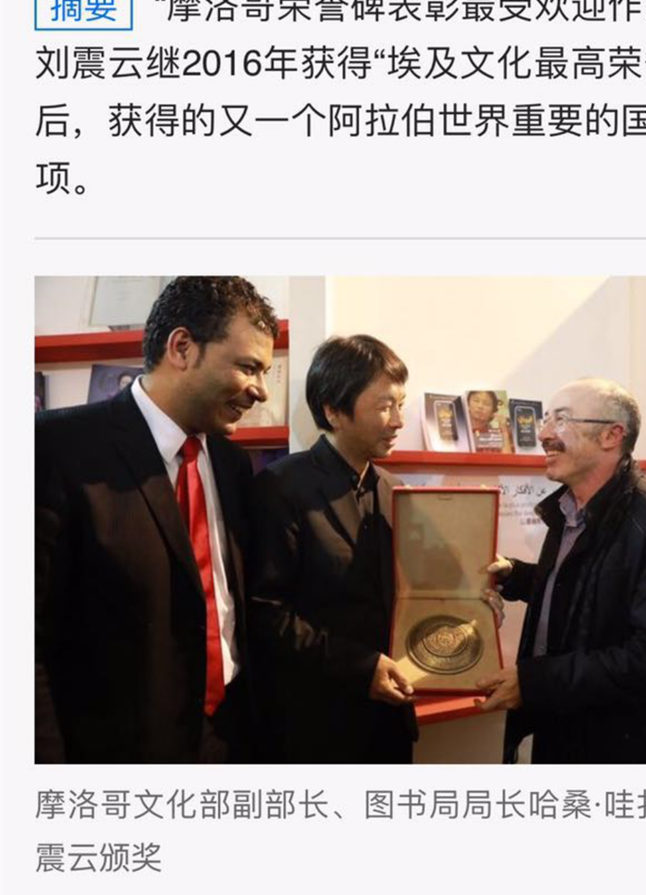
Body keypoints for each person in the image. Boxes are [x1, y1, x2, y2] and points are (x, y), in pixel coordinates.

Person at [35, 276, 278, 763]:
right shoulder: (56, 449)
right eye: (249, 367)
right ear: (182, 347)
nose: (261, 392)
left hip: (230, 739)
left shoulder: (231, 464)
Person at [475, 378, 646, 764]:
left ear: (611, 436)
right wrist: (514, 576)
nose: (544, 435)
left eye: (561, 420)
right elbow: (586, 593)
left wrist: (537, 682)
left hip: (624, 754)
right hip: (561, 736)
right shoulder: (569, 510)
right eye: (546, 420)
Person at [249, 334, 417, 763]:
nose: (399, 421)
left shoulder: (396, 490)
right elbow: (265, 612)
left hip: (390, 721)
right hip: (315, 726)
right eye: (385, 406)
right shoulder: (282, 487)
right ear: (333, 411)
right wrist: (361, 667)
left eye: (401, 404)